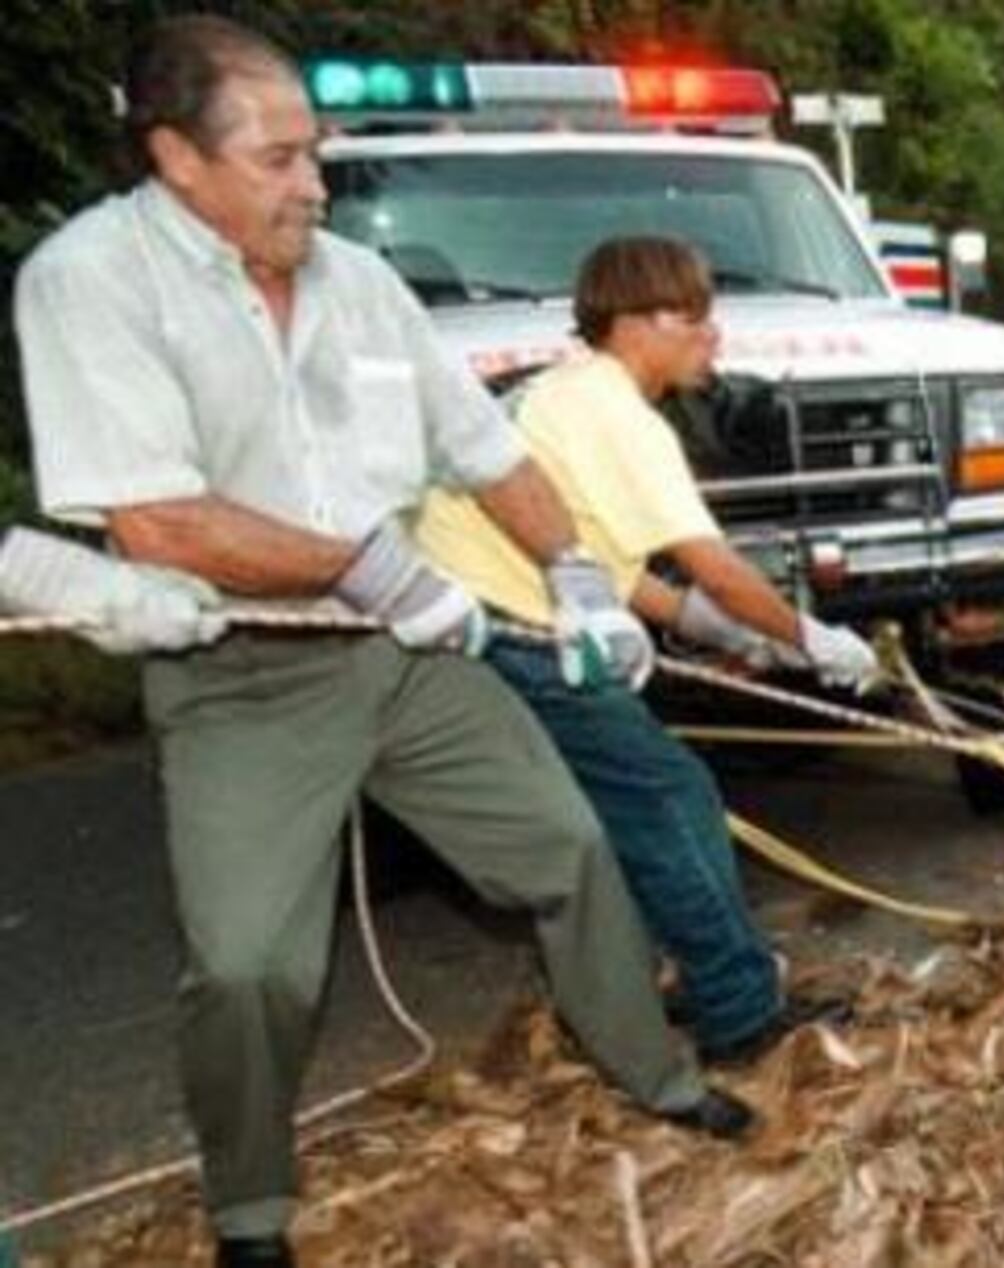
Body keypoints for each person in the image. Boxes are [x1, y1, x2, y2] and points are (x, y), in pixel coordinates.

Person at [12, 18, 746, 1264]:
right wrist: (367, 563)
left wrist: (575, 578)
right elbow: (157, 516)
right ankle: (250, 1210)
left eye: (318, 152)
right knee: (249, 966)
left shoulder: (360, 282)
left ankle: (658, 1074)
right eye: (279, 158)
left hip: (407, 659)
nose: (314, 182)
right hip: (239, 679)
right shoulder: (89, 282)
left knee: (567, 846)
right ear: (175, 157)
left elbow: (490, 450)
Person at [414, 236, 879, 1067]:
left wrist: (721, 631)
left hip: (477, 625)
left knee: (627, 810)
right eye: (693, 317)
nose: (714, 335)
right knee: (669, 797)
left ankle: (679, 977)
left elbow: (618, 571)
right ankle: (739, 1014)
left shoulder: (565, 394)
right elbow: (714, 563)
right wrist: (809, 638)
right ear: (633, 324)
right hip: (512, 633)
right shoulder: (617, 415)